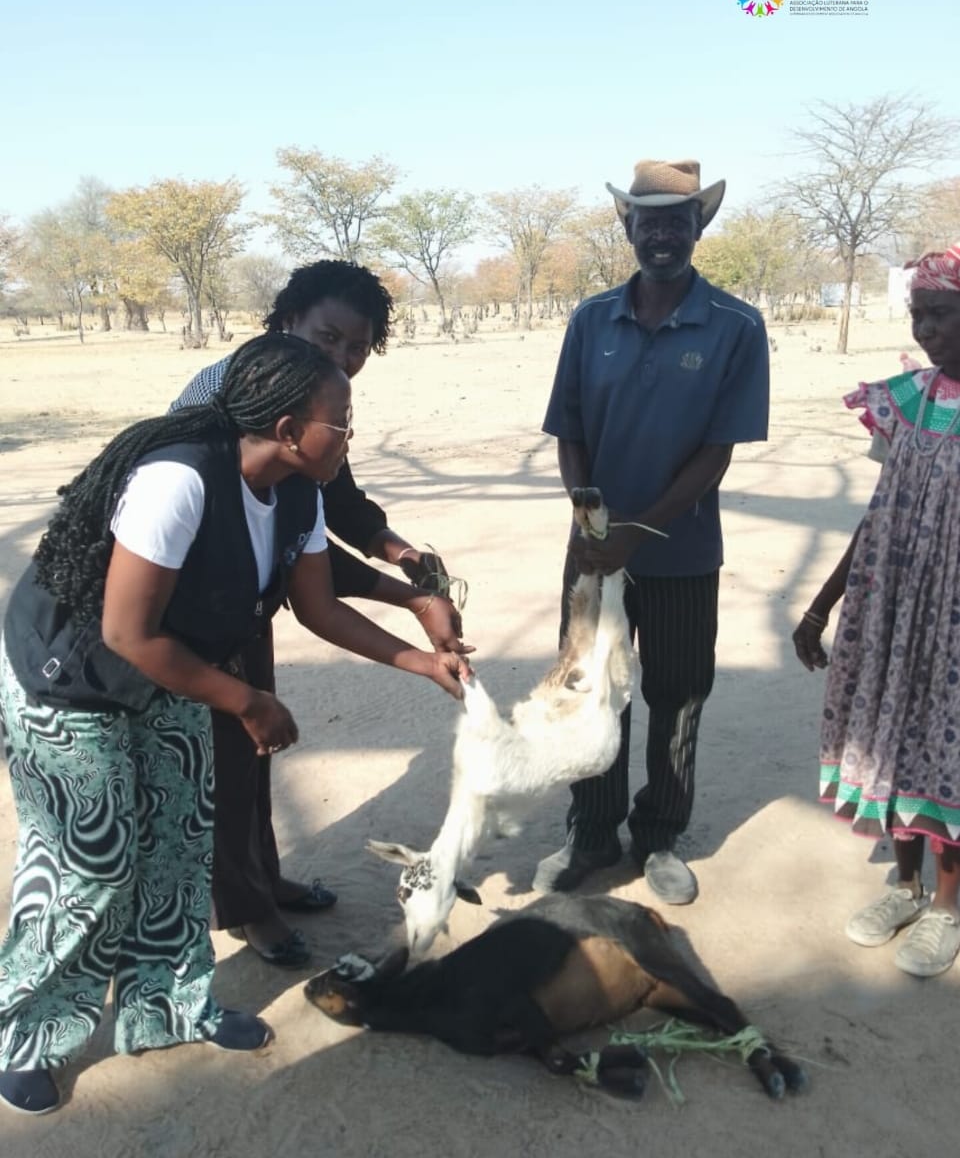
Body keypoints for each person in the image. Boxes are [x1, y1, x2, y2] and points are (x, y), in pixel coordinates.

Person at [0, 334, 470, 1116]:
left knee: (183, 838)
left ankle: (166, 1008)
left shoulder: (299, 490)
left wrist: (423, 662)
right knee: (92, 862)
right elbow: (125, 633)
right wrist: (247, 698)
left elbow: (318, 607)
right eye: (340, 422)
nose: (347, 438)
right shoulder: (178, 479)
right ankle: (29, 1032)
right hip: (74, 677)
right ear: (288, 429)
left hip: (175, 663)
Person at [170, 260, 469, 967]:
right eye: (327, 336)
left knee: (251, 757)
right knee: (221, 763)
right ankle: (245, 912)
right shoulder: (231, 403)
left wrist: (409, 570)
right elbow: (284, 554)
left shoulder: (314, 407)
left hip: (245, 600)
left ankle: (263, 880)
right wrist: (408, 597)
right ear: (285, 325)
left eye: (356, 349)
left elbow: (329, 512)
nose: (340, 358)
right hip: (188, 611)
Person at [533, 159, 769, 905]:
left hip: (681, 553)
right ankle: (592, 833)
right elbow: (568, 428)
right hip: (592, 553)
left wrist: (637, 532)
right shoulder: (590, 319)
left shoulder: (736, 325)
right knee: (590, 692)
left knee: (677, 693)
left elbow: (716, 453)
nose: (662, 234)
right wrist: (588, 515)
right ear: (626, 226)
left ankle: (660, 835)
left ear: (698, 227)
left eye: (677, 220)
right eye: (649, 220)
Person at [793, 241, 960, 978]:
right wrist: (821, 604)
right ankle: (903, 882)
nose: (927, 329)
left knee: (948, 746)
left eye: (942, 314)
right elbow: (876, 513)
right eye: (919, 314)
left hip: (951, 614)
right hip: (891, 600)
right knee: (889, 730)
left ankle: (948, 907)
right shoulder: (906, 399)